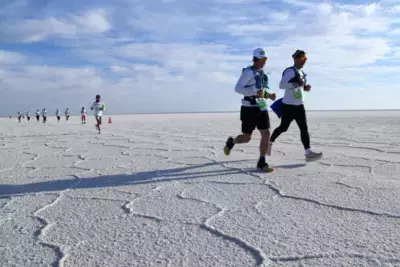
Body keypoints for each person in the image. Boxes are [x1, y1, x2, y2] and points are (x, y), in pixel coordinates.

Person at [223, 48, 276, 172]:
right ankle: (232, 141)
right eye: (262, 60)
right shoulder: (248, 72)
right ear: (256, 59)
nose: (264, 62)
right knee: (247, 138)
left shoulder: (262, 74)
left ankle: (261, 161)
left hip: (261, 107)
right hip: (248, 108)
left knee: (266, 133)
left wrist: (269, 95)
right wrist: (253, 92)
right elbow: (237, 88)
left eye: (265, 59)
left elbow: (261, 91)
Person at [269, 50, 322, 162]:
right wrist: (295, 83)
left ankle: (308, 153)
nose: (304, 62)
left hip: (299, 105)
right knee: (283, 128)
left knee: (304, 129)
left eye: (305, 59)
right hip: (288, 106)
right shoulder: (290, 71)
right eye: (303, 59)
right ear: (296, 59)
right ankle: (270, 142)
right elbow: (282, 85)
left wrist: (305, 89)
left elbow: (299, 89)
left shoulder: (302, 73)